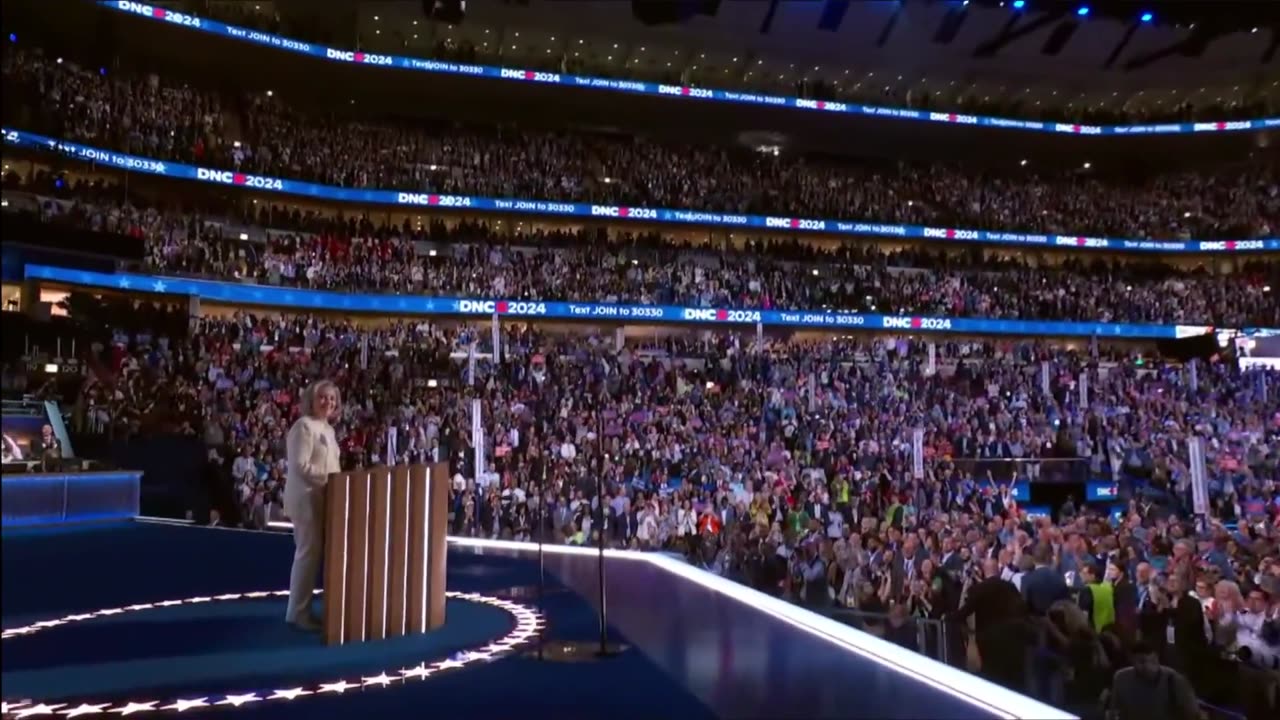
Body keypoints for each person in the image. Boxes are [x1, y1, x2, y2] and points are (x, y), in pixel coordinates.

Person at [284, 380, 342, 631]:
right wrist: (331, 479)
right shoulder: (303, 427)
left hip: (324, 498)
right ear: (311, 399)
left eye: (332, 398)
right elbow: (300, 465)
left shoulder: (328, 429)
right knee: (307, 554)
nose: (328, 402)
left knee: (312, 554)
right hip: (306, 498)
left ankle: (303, 610)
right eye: (323, 397)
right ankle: (297, 613)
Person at [1106, 641, 1199, 720]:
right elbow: (1114, 711)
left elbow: (1193, 713)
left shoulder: (1174, 679)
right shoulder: (1121, 678)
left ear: (1156, 659)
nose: (1144, 667)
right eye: (1138, 662)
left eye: (1150, 661)